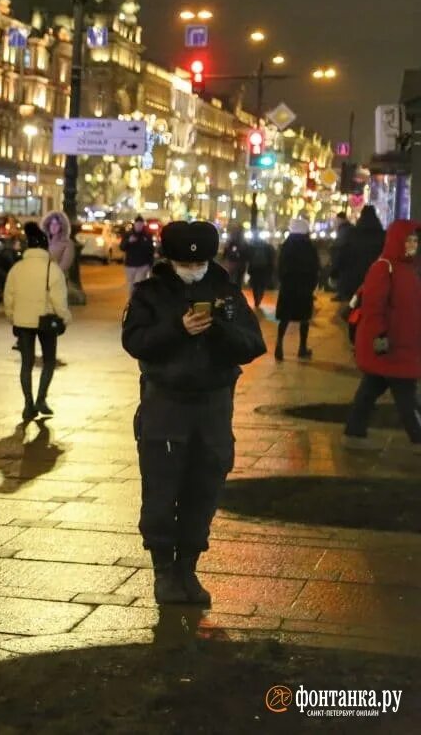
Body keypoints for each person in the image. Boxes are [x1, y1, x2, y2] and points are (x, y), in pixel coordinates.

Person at [121, 221, 266, 605]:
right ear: (169, 259)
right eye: (186, 263)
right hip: (166, 408)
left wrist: (217, 330)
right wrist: (177, 329)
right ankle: (164, 572)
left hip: (213, 409)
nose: (193, 268)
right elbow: (135, 341)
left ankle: (188, 569)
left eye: (199, 261)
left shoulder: (226, 293)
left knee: (204, 488)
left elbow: (253, 344)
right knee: (162, 489)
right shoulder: (150, 294)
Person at [343, 221, 421, 447]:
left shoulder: (409, 268)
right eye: (409, 240)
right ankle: (417, 437)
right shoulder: (384, 267)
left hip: (403, 343)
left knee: (371, 387)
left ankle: (354, 432)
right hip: (390, 345)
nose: (413, 245)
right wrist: (379, 336)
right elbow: (374, 307)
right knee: (406, 394)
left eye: (415, 241)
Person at [3, 222, 71, 421]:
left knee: (26, 363)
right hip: (46, 322)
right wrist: (64, 318)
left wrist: (12, 317)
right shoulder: (53, 269)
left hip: (23, 323)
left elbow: (9, 297)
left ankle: (27, 403)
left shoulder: (17, 269)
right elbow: (59, 300)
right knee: (48, 361)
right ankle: (41, 398)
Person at [274, 218, 321, 361]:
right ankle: (302, 347)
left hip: (288, 286)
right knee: (304, 319)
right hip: (304, 287)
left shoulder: (286, 246)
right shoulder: (309, 247)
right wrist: (312, 285)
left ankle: (279, 344)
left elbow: (279, 266)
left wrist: (282, 281)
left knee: (284, 318)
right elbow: (315, 268)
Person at [336, 205, 386, 302]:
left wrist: (337, 271)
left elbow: (343, 254)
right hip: (375, 279)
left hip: (354, 279)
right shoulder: (382, 236)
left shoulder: (352, 234)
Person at [120, 216, 156, 294]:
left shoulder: (147, 235)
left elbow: (151, 250)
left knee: (139, 283)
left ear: (143, 225)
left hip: (143, 265)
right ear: (135, 224)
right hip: (130, 265)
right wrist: (129, 241)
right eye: (137, 224)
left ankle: (137, 301)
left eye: (141, 224)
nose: (139, 226)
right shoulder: (128, 235)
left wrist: (150, 264)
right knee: (131, 284)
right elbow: (122, 247)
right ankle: (132, 301)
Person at [246, 233, 276, 308]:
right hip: (264, 269)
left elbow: (248, 257)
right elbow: (272, 258)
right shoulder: (268, 247)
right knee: (262, 285)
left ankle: (256, 299)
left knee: (255, 285)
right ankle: (260, 298)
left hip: (254, 268)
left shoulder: (252, 247)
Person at [328, 211, 352, 294]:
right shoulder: (346, 228)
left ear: (340, 220)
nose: (335, 223)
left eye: (336, 220)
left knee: (342, 276)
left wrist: (333, 248)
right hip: (346, 259)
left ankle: (341, 293)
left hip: (343, 259)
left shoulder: (344, 230)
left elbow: (340, 246)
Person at [221, 224, 249, 289]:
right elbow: (247, 254)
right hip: (241, 263)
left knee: (230, 278)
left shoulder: (230, 241)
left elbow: (226, 251)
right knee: (238, 280)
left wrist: (224, 259)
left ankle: (230, 292)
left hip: (231, 262)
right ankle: (237, 292)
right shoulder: (244, 242)